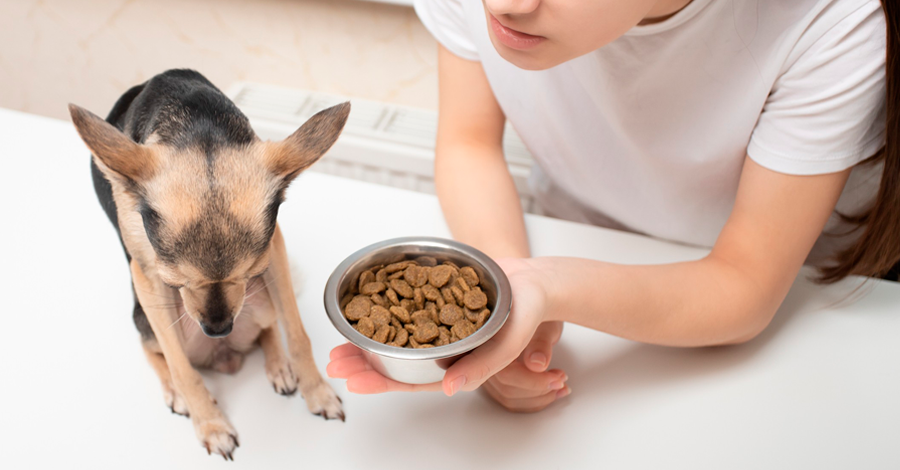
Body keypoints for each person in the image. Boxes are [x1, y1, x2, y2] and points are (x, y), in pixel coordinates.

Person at [327, 0, 898, 412]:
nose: (503, 5)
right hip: (575, 236)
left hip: (811, 317)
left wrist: (549, 287)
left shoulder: (833, 23)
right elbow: (469, 146)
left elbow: (745, 285)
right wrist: (505, 307)